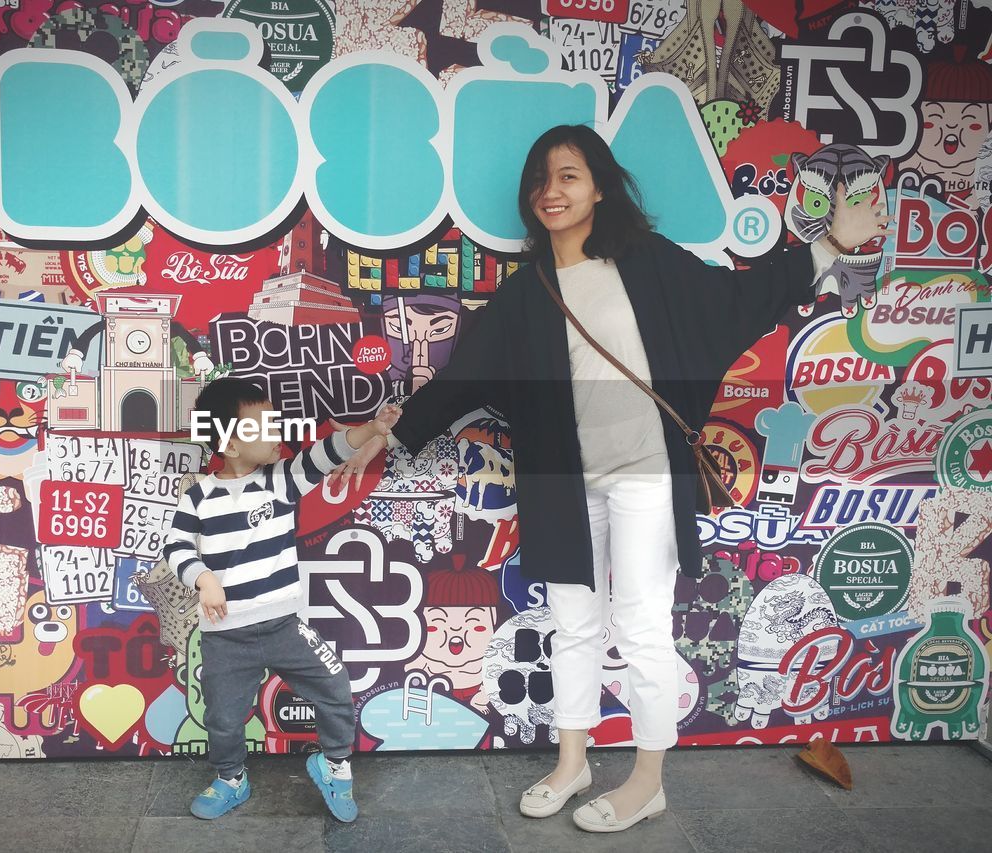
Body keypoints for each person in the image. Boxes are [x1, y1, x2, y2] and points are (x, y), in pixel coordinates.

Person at [335, 124, 890, 833]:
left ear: (599, 186)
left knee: (642, 626)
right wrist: (389, 429)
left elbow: (737, 300)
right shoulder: (526, 291)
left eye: (568, 176)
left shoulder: (647, 261)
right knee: (573, 626)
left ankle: (648, 779)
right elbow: (460, 381)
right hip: (563, 484)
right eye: (541, 180)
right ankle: (573, 761)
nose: (551, 192)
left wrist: (830, 244)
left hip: (646, 477)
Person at [162, 377, 399, 821]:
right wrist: (203, 578)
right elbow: (175, 547)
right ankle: (231, 778)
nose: (277, 433)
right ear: (231, 444)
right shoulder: (198, 496)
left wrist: (371, 430)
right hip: (225, 638)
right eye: (264, 426)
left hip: (283, 627)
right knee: (223, 719)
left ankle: (336, 767)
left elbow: (329, 451)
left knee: (334, 688)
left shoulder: (283, 479)